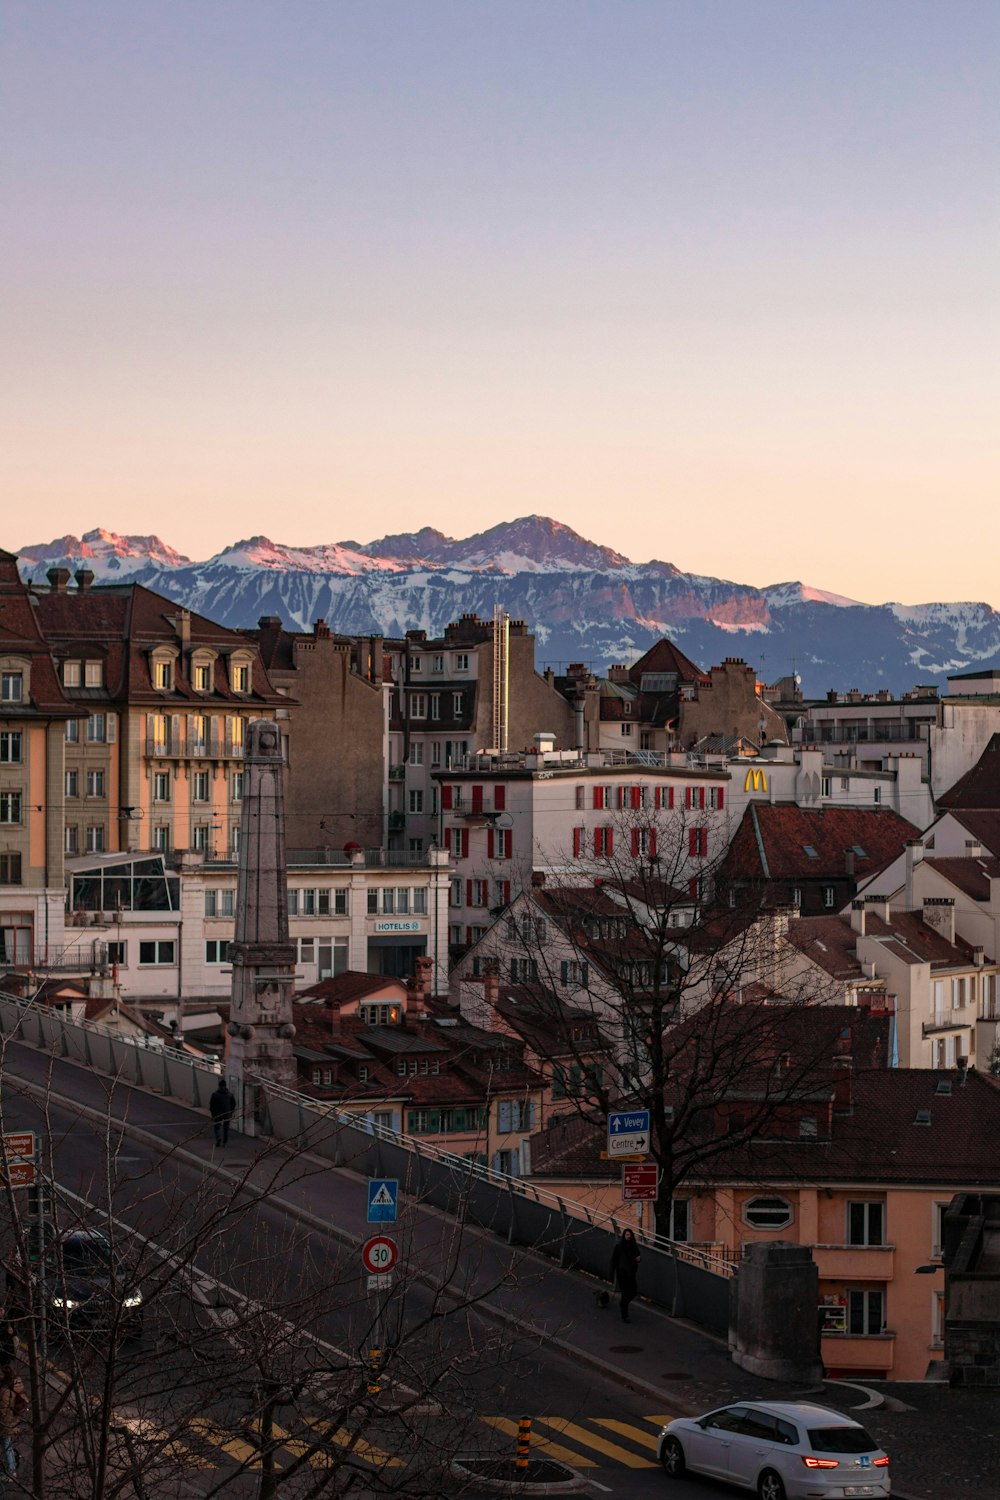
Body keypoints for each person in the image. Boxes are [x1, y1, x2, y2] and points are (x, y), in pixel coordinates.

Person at [0, 1365, 26, 1480]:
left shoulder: (6, 1390)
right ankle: (11, 1466)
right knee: (7, 1445)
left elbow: (2, 1409)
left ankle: (11, 1471)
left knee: (6, 1445)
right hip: (13, 1420)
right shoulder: (16, 1385)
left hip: (5, 1423)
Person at [610, 1228, 641, 1323]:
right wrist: (612, 1273)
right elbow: (614, 1260)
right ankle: (625, 1315)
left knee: (633, 1292)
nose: (628, 1236)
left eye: (629, 1234)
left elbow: (638, 1256)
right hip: (622, 1273)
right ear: (624, 1235)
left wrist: (639, 1259)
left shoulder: (633, 1246)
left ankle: (623, 1304)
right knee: (625, 1293)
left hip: (631, 1273)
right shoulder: (619, 1247)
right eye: (627, 1234)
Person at [209, 1078, 237, 1146]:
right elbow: (233, 1104)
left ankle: (218, 1138)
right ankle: (225, 1142)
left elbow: (211, 1104)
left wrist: (212, 1114)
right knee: (226, 1128)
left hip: (217, 1114)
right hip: (227, 1113)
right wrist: (231, 1112)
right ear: (225, 1085)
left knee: (217, 1127)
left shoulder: (215, 1094)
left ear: (219, 1086)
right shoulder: (230, 1094)